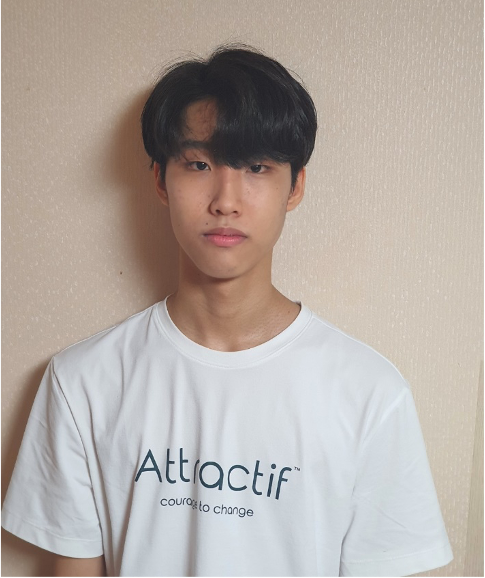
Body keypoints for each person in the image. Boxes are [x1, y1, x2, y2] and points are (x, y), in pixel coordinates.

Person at [1, 46, 453, 577]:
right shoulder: (83, 382)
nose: (226, 200)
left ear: (295, 186)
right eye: (199, 164)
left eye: (257, 167)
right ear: (160, 180)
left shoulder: (369, 393)